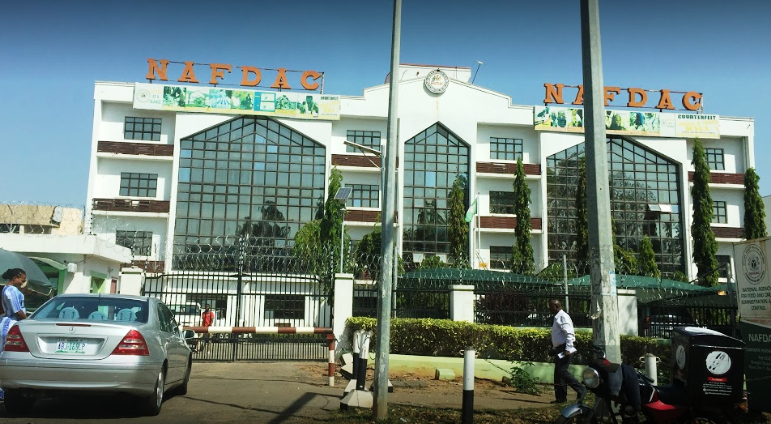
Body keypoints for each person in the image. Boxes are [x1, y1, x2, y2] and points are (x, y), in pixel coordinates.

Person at [549, 299, 585, 404]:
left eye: (551, 307)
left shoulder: (562, 316)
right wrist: (554, 349)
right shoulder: (557, 317)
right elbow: (559, 336)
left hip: (565, 348)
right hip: (560, 349)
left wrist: (568, 348)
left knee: (563, 371)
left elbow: (569, 333)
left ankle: (581, 389)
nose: (549, 309)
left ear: (556, 306)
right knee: (558, 373)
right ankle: (561, 398)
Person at [1, 268, 29, 400]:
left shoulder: (11, 289)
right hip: (9, 324)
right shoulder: (11, 290)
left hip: (9, 323)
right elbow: (17, 310)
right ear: (15, 277)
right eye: (22, 279)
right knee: (3, 354)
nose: (23, 282)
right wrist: (28, 320)